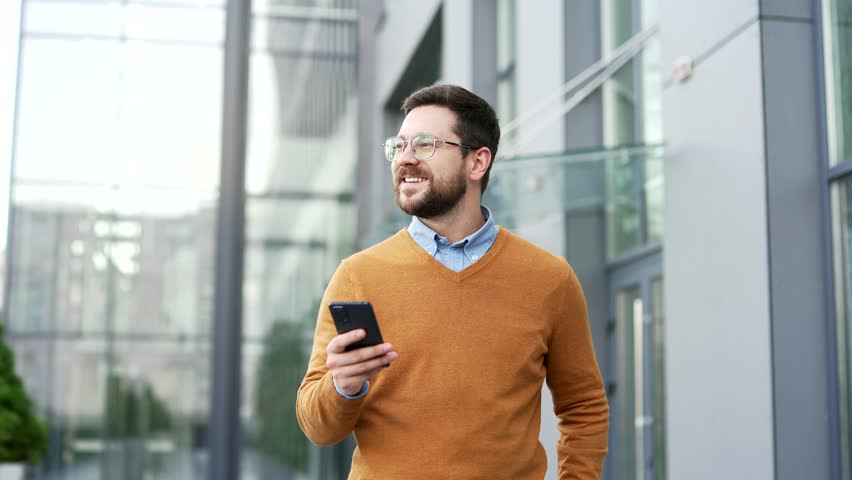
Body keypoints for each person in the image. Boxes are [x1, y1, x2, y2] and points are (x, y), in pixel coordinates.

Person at [296, 84, 609, 479]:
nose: (405, 159)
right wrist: (344, 385)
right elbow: (318, 428)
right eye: (399, 146)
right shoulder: (358, 276)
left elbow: (583, 406)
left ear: (477, 163)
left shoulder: (550, 280)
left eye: (425, 145)